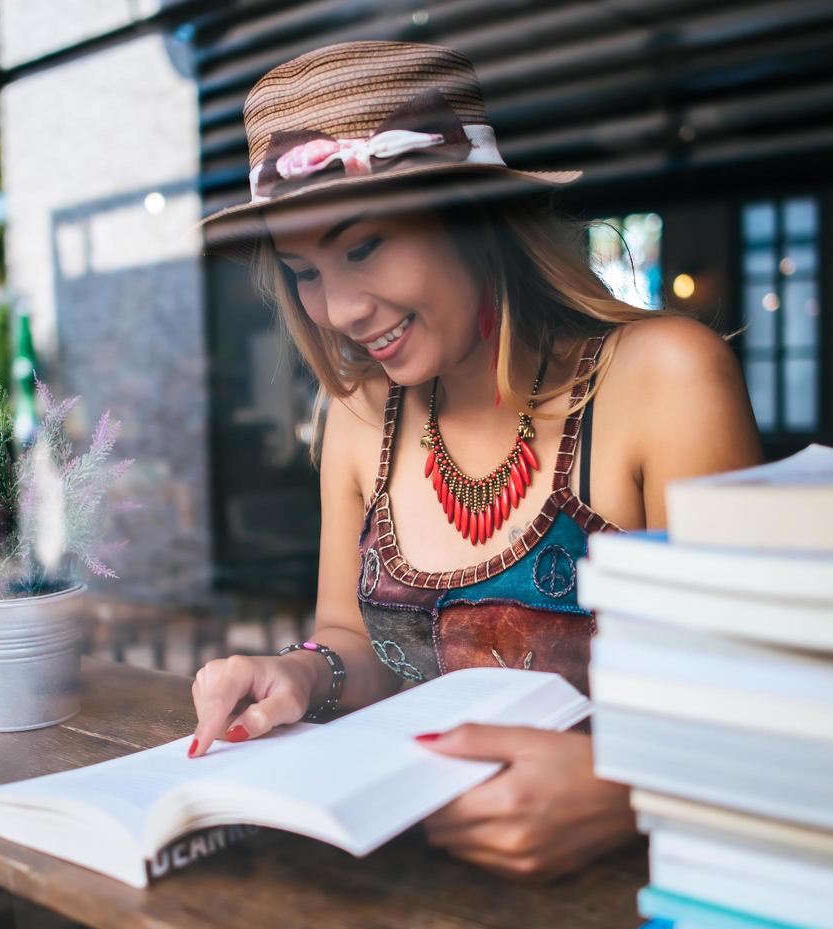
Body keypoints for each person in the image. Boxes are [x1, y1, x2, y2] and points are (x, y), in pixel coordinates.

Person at [190, 40, 761, 882]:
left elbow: (765, 688)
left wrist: (629, 793)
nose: (340, 310)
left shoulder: (665, 377)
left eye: (363, 247)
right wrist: (300, 675)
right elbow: (354, 638)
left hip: (656, 896)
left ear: (471, 214)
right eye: (305, 271)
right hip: (417, 889)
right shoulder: (353, 416)